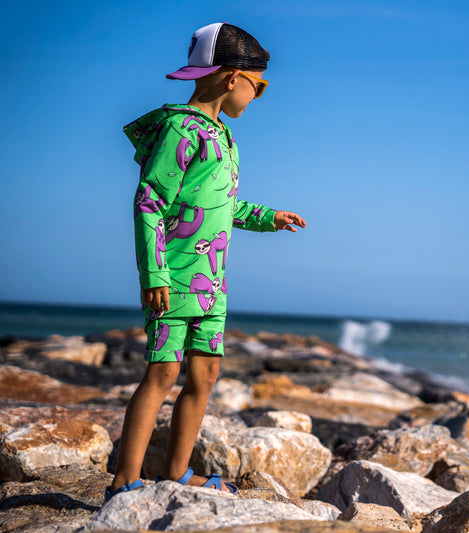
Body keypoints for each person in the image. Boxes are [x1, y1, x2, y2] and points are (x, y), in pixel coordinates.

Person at [105, 22, 306, 500]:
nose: (258, 96)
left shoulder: (223, 137)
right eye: (259, 86)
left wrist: (267, 217)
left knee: (206, 373)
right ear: (233, 77)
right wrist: (154, 274)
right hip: (173, 277)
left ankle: (176, 471)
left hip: (212, 281)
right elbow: (150, 201)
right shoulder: (181, 129)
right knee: (162, 372)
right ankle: (124, 479)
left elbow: (220, 206)